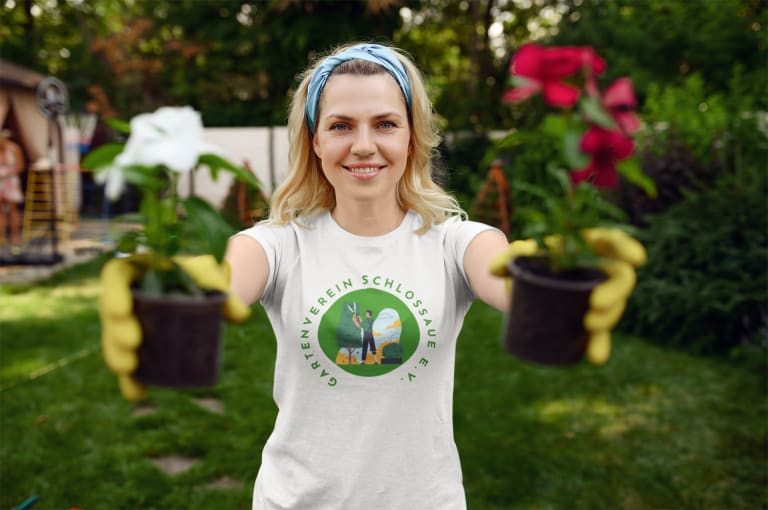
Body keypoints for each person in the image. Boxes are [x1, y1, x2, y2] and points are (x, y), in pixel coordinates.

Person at [100, 42, 645, 509]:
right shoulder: (278, 243)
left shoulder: (455, 241)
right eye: (341, 126)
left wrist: (563, 267)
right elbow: (225, 282)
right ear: (315, 141)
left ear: (412, 137)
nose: (363, 145)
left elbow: (504, 275)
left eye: (385, 123)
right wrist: (162, 290)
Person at [0, 129, 25, 252]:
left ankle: (15, 235)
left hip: (10, 181)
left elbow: (20, 166)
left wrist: (6, 175)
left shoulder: (14, 148)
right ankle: (2, 235)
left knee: (12, 209)